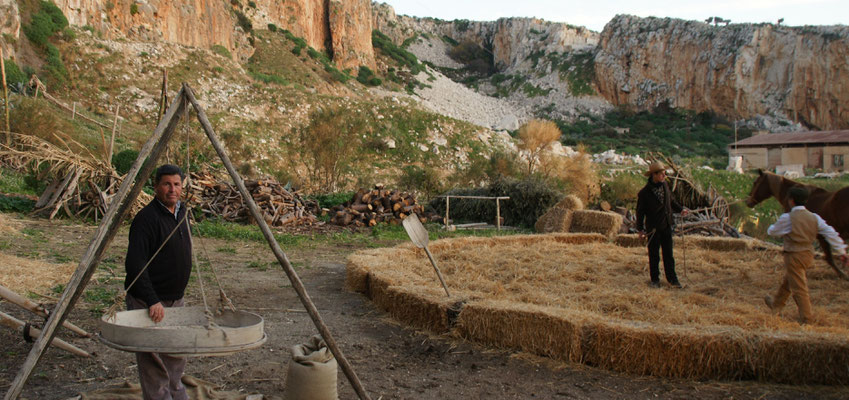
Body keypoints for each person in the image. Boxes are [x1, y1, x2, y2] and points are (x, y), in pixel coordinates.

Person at [124, 164, 192, 400]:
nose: (172, 189)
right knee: (152, 360)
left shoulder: (182, 212)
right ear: (156, 187)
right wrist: (152, 300)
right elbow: (135, 264)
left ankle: (177, 394)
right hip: (149, 301)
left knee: (175, 352)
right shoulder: (147, 219)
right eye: (166, 184)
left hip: (175, 298)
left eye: (176, 184)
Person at [764, 187, 848, 324]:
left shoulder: (788, 218)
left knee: (799, 288)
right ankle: (776, 305)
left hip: (794, 255)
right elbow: (830, 233)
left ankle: (807, 319)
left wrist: (772, 228)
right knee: (789, 280)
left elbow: (773, 232)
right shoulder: (815, 217)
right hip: (808, 255)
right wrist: (842, 251)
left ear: (791, 201)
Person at [636, 161, 688, 288]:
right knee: (654, 256)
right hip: (653, 228)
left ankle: (673, 280)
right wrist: (640, 230)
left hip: (666, 225)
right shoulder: (644, 193)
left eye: (664, 174)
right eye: (662, 174)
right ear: (654, 174)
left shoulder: (665, 186)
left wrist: (681, 209)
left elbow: (671, 201)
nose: (664, 176)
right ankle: (655, 280)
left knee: (668, 255)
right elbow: (640, 212)